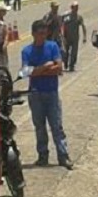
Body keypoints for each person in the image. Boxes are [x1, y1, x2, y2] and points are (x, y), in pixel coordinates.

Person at [20, 20, 72, 170]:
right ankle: (43, 155)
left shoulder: (52, 46)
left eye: (45, 33)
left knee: (56, 125)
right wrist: (45, 67)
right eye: (40, 33)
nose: (43, 36)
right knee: (39, 126)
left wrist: (38, 71)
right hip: (36, 93)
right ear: (33, 34)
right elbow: (26, 72)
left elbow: (59, 68)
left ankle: (63, 155)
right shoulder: (26, 51)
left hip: (51, 92)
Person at [61, 2, 86, 72]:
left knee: (74, 52)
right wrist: (62, 35)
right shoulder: (66, 16)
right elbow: (62, 26)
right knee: (65, 52)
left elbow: (83, 26)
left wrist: (84, 36)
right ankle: (65, 62)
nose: (76, 9)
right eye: (75, 7)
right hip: (67, 37)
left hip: (75, 37)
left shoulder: (79, 17)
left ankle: (72, 65)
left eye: (77, 7)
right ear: (71, 8)